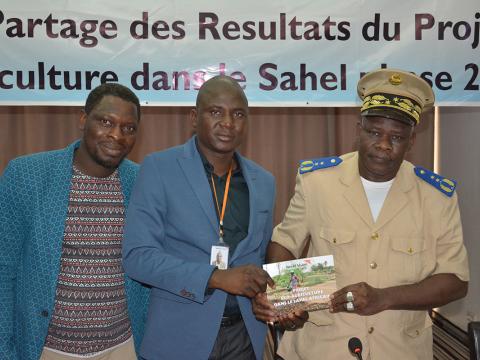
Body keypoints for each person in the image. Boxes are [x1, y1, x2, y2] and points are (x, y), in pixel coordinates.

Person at [253, 69, 469, 359]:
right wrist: (288, 301)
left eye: (396, 137)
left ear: (412, 141)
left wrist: (385, 297)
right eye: (375, 132)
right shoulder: (318, 181)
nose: (383, 145)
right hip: (322, 348)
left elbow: (455, 279)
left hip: (400, 350)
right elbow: (284, 243)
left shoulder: (437, 197)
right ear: (359, 129)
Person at [123, 75, 276, 360]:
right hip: (179, 335)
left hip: (245, 337)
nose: (228, 123)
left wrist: (279, 299)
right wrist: (216, 278)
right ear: (194, 117)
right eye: (215, 112)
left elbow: (262, 258)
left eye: (238, 114)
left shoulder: (264, 182)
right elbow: (138, 257)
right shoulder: (159, 168)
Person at [0, 83, 150, 360]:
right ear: (83, 120)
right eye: (106, 122)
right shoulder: (27, 175)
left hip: (122, 347)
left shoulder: (141, 182)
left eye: (129, 128)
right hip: (45, 349)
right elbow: (3, 269)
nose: (117, 135)